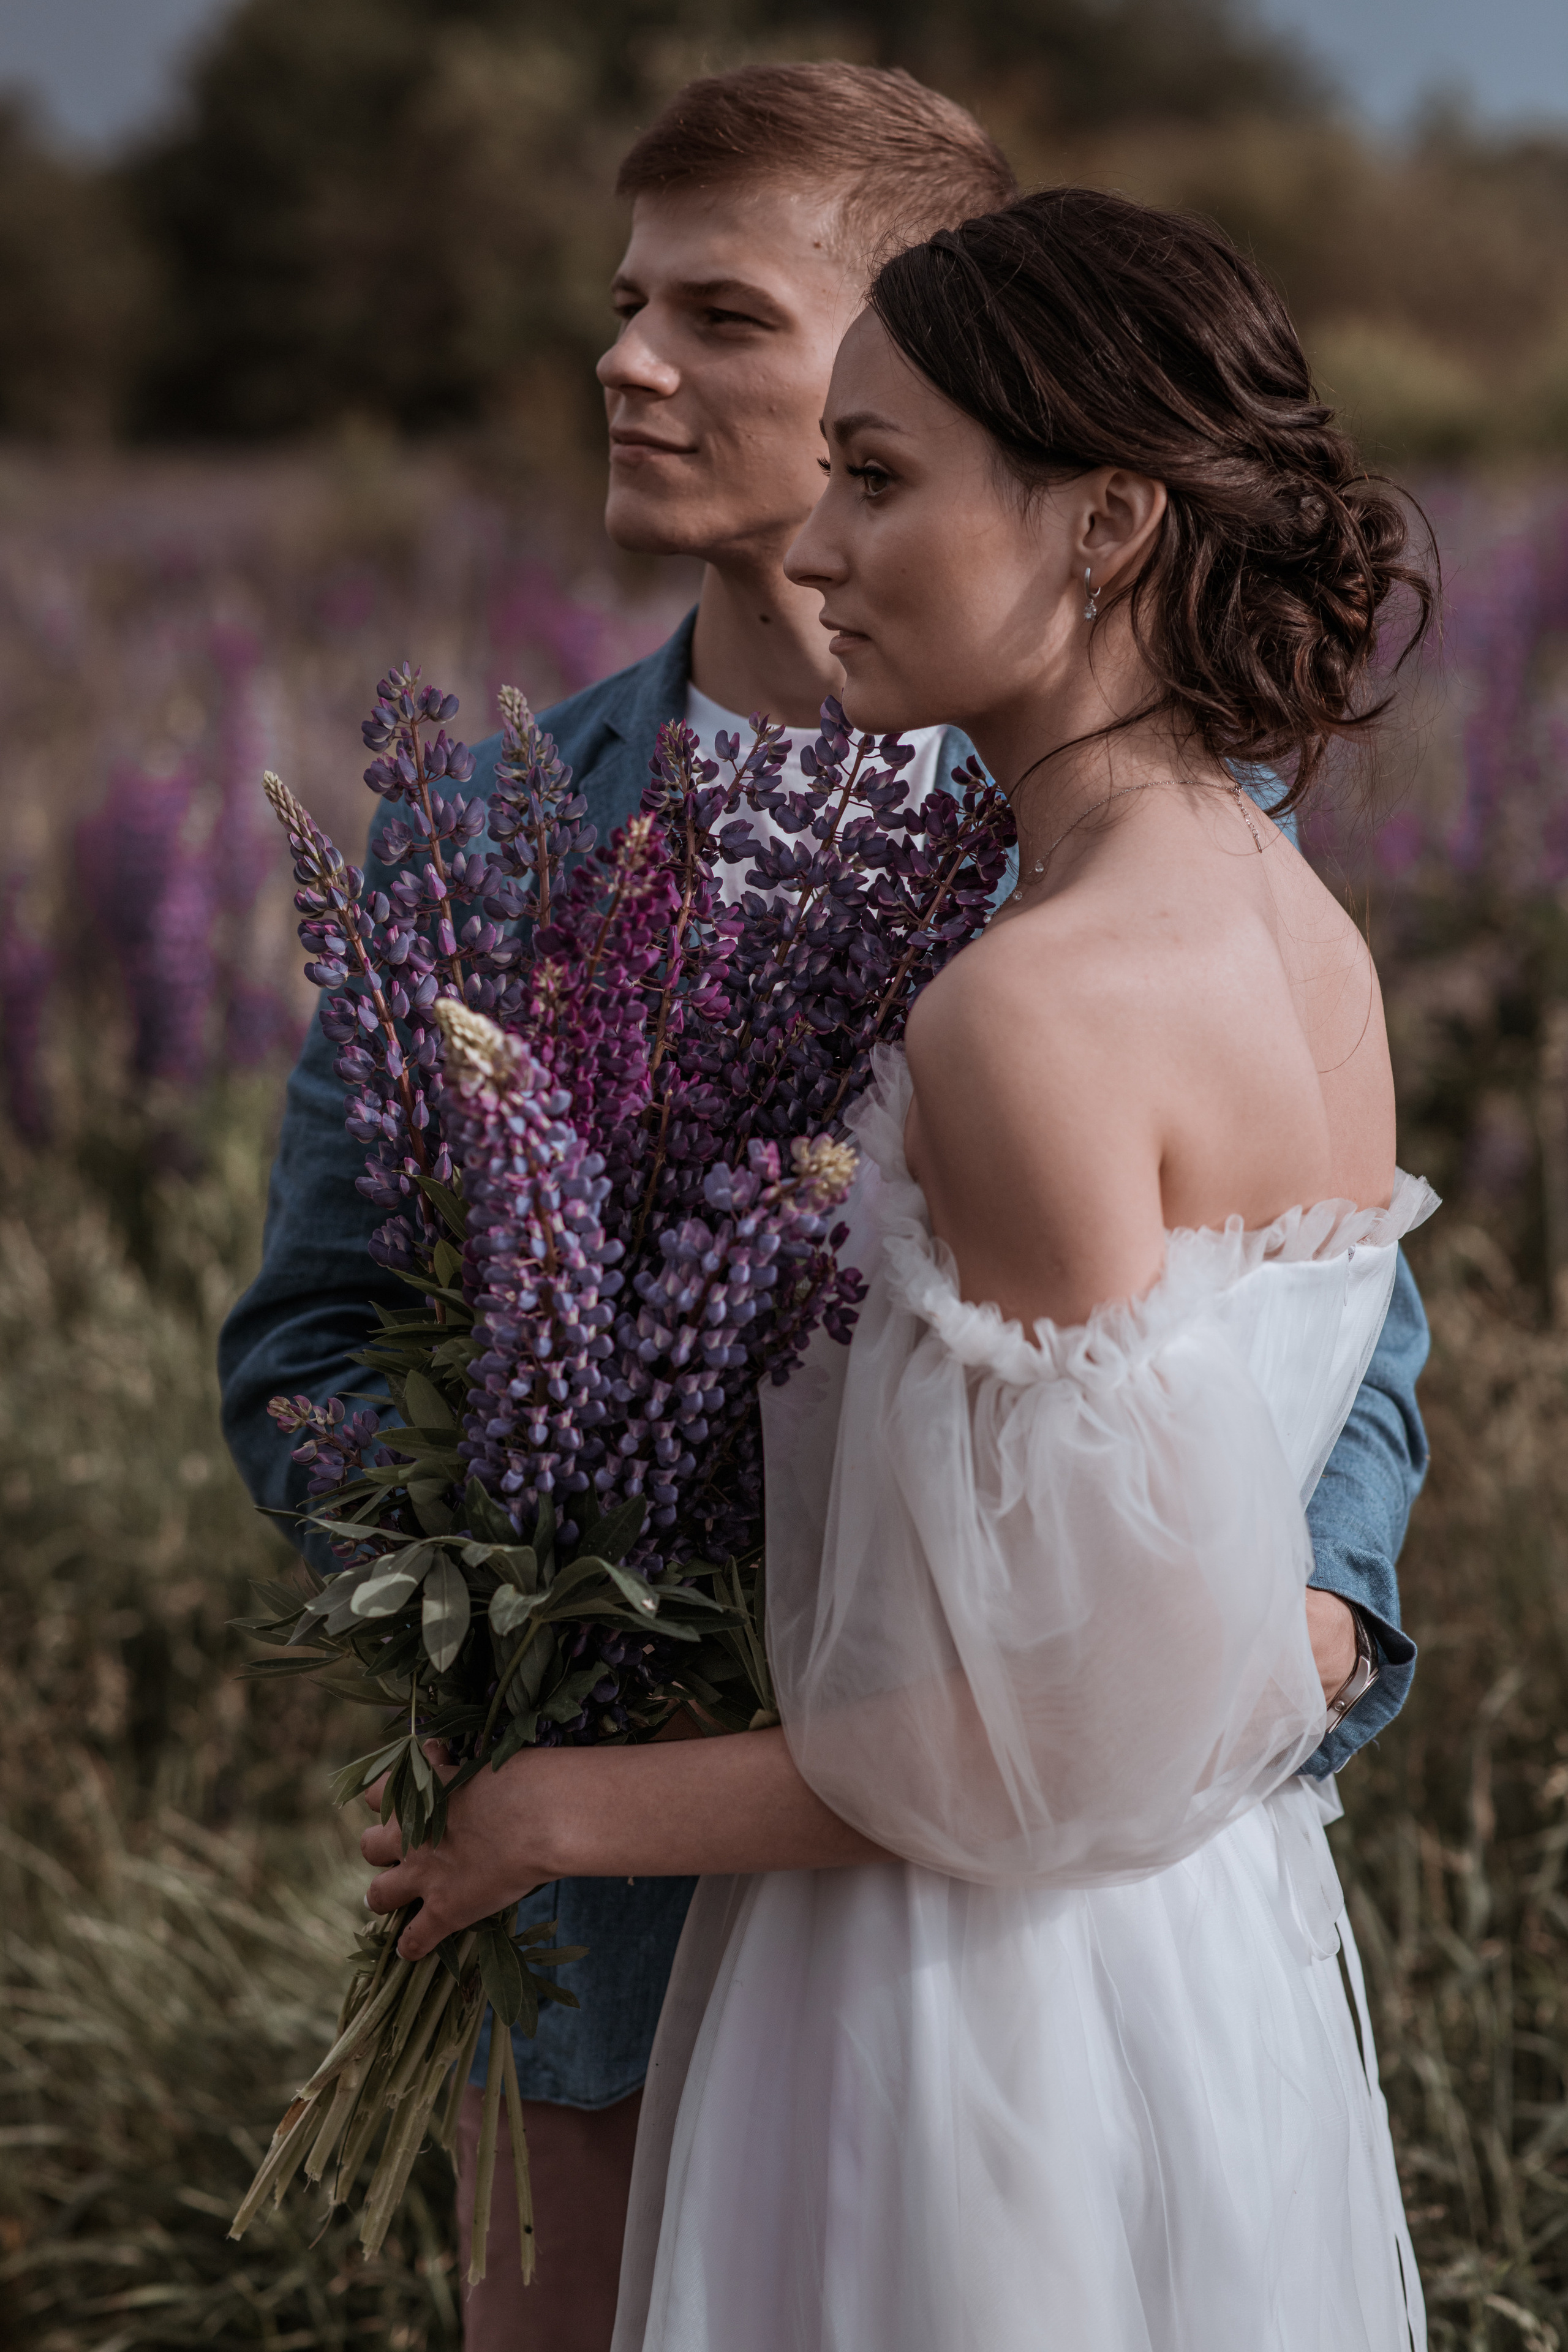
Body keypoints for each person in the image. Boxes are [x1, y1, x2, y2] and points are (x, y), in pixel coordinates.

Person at [217, 70, 1429, 2351]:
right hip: (625, 1916)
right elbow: (314, 1336)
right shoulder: (498, 819)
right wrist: (497, 1606)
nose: (629, 362)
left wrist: (1285, 1645)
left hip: (953, 1917)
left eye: (725, 318)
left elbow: (1321, 1356)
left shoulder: (1106, 895)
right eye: (621, 303)